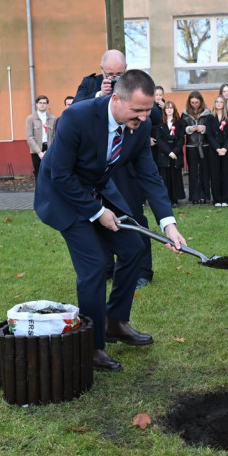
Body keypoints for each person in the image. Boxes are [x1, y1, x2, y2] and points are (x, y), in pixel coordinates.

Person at [34, 70, 185, 372]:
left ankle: (114, 321)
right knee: (93, 266)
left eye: (148, 110)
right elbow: (60, 175)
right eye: (138, 110)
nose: (144, 117)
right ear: (116, 99)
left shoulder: (141, 127)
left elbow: (150, 176)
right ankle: (91, 347)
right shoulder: (76, 118)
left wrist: (169, 224)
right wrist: (97, 212)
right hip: (62, 196)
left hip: (95, 189)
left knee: (134, 247)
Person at [73, 50, 155, 288]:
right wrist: (102, 95)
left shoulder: (138, 83)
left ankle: (142, 271)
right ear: (101, 70)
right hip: (100, 169)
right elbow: (74, 110)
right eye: (111, 74)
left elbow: (154, 114)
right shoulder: (90, 84)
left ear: (127, 68)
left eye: (120, 73)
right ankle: (107, 267)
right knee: (101, 218)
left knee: (134, 218)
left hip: (126, 169)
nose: (116, 77)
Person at [205, 93, 228, 207]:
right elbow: (210, 135)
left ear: (224, 104)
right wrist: (217, 148)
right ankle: (217, 199)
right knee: (215, 174)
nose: (218, 104)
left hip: (227, 150)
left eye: (221, 102)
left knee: (227, 175)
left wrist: (225, 148)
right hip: (214, 150)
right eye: (216, 102)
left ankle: (227, 199)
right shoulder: (210, 117)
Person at [182, 91, 211, 204]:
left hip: (204, 145)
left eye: (197, 102)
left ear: (201, 102)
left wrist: (203, 128)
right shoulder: (185, 114)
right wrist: (189, 129)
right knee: (193, 172)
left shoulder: (207, 113)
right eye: (192, 102)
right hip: (191, 146)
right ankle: (194, 196)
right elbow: (181, 128)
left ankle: (204, 195)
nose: (195, 104)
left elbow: (211, 128)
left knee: (204, 171)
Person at [155, 100, 186, 205]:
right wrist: (169, 152)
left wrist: (175, 151)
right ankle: (166, 199)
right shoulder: (160, 123)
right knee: (165, 177)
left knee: (175, 177)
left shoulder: (180, 123)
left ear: (174, 109)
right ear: (164, 110)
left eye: (171, 108)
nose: (169, 110)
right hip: (165, 154)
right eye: (167, 108)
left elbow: (181, 139)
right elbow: (159, 140)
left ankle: (175, 199)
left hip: (176, 154)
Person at [25, 94, 56, 179]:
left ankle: (49, 192)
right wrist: (39, 152)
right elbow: (29, 137)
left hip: (49, 148)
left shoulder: (52, 118)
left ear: (47, 104)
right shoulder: (30, 118)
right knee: (39, 174)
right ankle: (39, 192)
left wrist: (49, 150)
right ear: (36, 104)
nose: (42, 104)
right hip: (36, 150)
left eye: (44, 103)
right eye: (40, 103)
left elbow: (55, 136)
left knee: (50, 173)